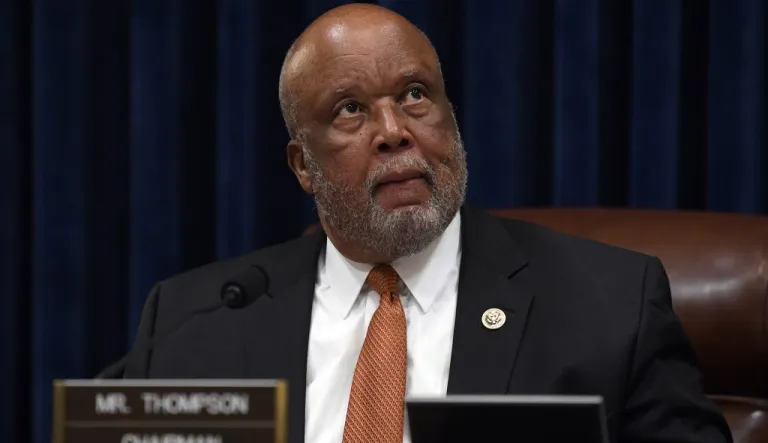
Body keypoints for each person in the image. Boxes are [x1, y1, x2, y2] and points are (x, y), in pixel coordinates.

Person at [123, 4, 732, 443]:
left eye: (415, 95)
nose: (394, 131)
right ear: (302, 165)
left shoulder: (609, 305)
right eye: (351, 110)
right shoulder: (192, 323)